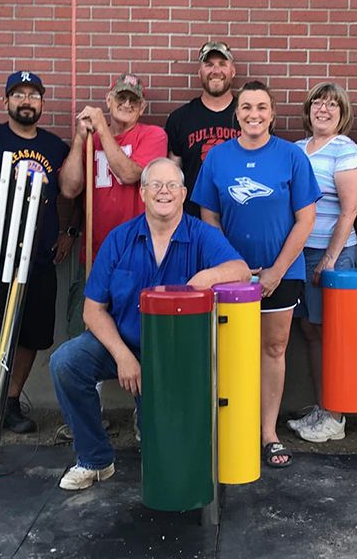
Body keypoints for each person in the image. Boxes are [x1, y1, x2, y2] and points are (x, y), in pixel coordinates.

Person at [50, 158, 250, 490]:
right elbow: (92, 310)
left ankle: (154, 428)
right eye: (155, 184)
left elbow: (241, 269)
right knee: (66, 363)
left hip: (175, 354)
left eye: (172, 185)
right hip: (123, 343)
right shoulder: (120, 239)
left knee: (164, 456)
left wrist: (206, 277)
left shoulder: (201, 235)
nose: (164, 192)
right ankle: (94, 459)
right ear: (142, 192)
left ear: (184, 193)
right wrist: (123, 357)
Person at [192, 80, 321, 468]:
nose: (254, 114)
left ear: (273, 114)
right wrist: (231, 267)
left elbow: (306, 219)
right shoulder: (217, 157)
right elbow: (208, 216)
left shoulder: (291, 157)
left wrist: (276, 272)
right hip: (230, 274)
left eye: (261, 107)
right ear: (237, 114)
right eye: (247, 107)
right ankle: (231, 427)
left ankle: (267, 433)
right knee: (228, 351)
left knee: (273, 349)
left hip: (281, 273)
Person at [0, 70, 71, 437]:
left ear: (42, 103)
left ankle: (10, 403)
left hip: (39, 258)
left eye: (33, 95)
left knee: (32, 336)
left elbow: (70, 191)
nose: (26, 101)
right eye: (19, 95)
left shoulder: (55, 147)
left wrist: (68, 231)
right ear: (6, 101)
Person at [287, 82, 357, 443]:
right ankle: (324, 405)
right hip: (299, 254)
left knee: (334, 333)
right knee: (310, 330)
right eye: (317, 103)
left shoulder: (344, 150)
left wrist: (330, 259)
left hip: (331, 255)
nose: (323, 109)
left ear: (342, 112)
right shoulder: (297, 149)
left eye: (331, 104)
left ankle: (336, 415)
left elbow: (350, 210)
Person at [60, 73, 167, 336]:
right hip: (95, 256)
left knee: (136, 338)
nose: (127, 104)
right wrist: (79, 139)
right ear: (109, 100)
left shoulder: (153, 136)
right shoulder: (89, 141)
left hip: (139, 256)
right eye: (121, 97)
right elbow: (69, 188)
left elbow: (130, 174)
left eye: (134, 100)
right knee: (81, 336)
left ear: (142, 107)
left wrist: (102, 130)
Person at [165, 41, 240, 216]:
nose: (216, 71)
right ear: (200, 72)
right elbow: (172, 176)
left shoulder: (249, 117)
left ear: (233, 71)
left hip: (239, 218)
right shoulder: (180, 119)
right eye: (209, 65)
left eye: (222, 64)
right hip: (192, 220)